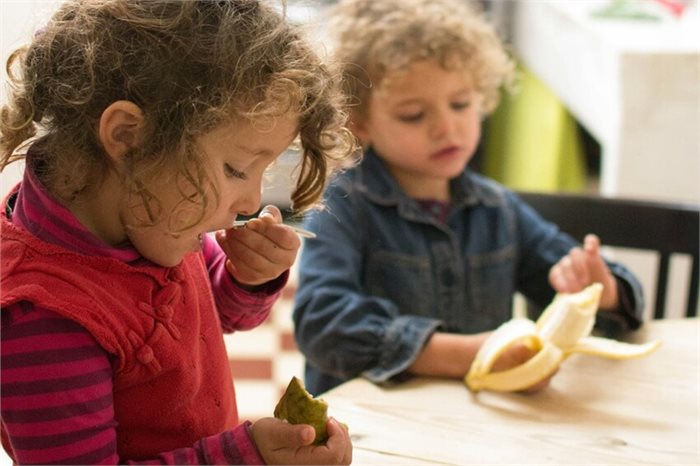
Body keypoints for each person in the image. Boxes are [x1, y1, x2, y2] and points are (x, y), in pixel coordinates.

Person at [0, 1, 354, 464]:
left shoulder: (150, 217)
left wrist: (248, 276)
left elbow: (220, 315)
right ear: (128, 136)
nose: (251, 202)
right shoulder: (43, 318)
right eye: (236, 168)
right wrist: (246, 458)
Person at [293, 0, 644, 396]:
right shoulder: (343, 207)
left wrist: (603, 289)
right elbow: (323, 325)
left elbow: (598, 300)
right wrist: (469, 353)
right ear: (360, 123)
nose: (447, 127)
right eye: (413, 114)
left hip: (476, 429)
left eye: (460, 104)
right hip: (369, 432)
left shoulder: (498, 209)